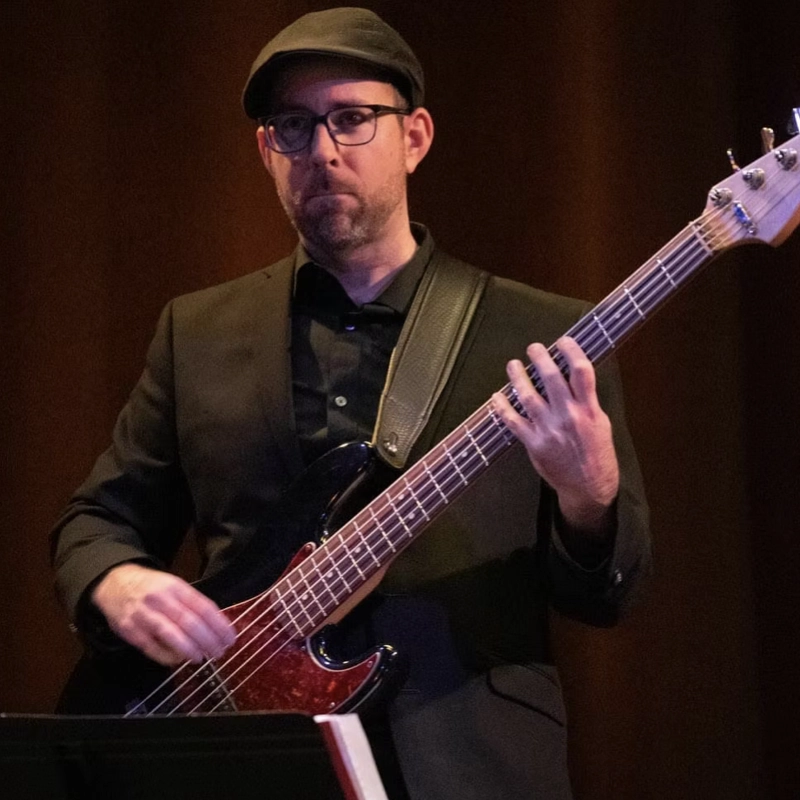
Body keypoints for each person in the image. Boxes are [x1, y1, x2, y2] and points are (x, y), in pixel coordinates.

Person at [50, 8, 651, 799]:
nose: (324, 150)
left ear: (416, 137)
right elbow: (97, 521)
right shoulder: (195, 331)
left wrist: (589, 497)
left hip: (470, 767)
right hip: (243, 758)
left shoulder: (543, 335)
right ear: (267, 152)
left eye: (354, 119)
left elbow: (608, 594)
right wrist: (116, 584)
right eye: (293, 127)